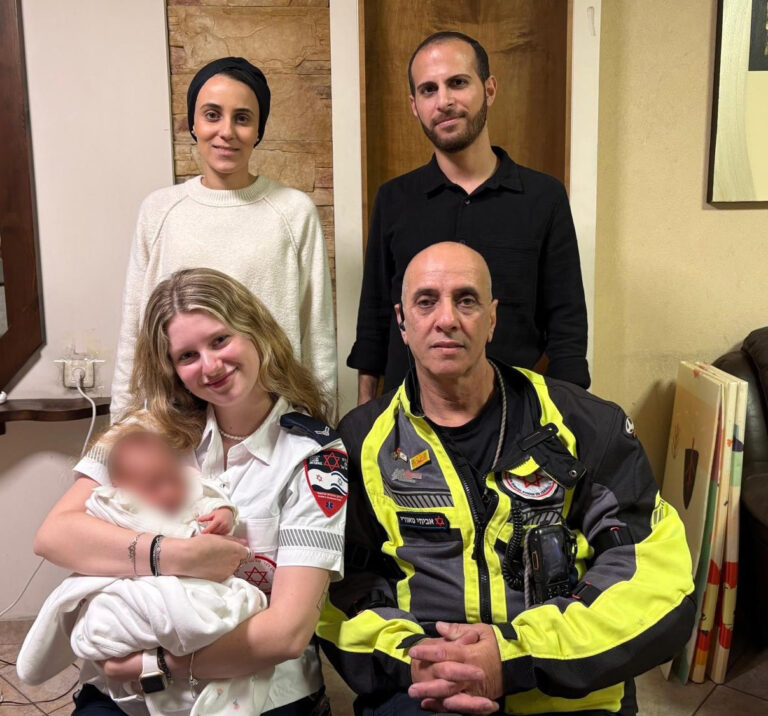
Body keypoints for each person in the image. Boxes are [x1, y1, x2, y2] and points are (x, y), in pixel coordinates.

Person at [318, 242, 695, 715]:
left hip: (562, 688)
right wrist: (417, 660)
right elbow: (338, 587)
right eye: (426, 301)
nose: (447, 319)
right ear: (403, 321)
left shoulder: (587, 425)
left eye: (467, 300)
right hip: (423, 684)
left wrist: (513, 657)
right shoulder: (360, 441)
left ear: (492, 318)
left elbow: (655, 578)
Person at [34, 268, 348, 715]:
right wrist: (178, 555)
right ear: (172, 368)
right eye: (187, 355)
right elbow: (55, 536)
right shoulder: (142, 433)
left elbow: (287, 634)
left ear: (256, 332)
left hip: (259, 688)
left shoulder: (314, 454)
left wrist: (155, 664)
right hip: (128, 696)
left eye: (220, 340)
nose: (211, 366)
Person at [348, 31, 589, 405]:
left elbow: (567, 329)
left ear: (489, 90)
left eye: (457, 83)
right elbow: (374, 324)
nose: (443, 101)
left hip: (514, 419)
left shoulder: (544, 198)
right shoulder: (394, 199)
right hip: (408, 418)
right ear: (415, 105)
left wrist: (569, 420)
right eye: (428, 90)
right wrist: (365, 415)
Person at [111, 56, 336, 422]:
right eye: (212, 115)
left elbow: (318, 334)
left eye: (242, 118)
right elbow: (135, 332)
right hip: (178, 422)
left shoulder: (294, 211)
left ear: (259, 130)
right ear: (193, 124)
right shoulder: (159, 211)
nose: (226, 131)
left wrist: (322, 425)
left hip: (272, 424)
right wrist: (122, 424)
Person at [19, 417, 274, 715]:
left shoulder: (187, 488)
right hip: (141, 582)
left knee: (235, 606)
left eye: (173, 479)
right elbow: (58, 535)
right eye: (153, 485)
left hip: (197, 587)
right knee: (108, 615)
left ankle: (181, 657)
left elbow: (206, 495)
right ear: (120, 486)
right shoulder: (113, 501)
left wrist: (224, 513)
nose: (168, 492)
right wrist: (179, 553)